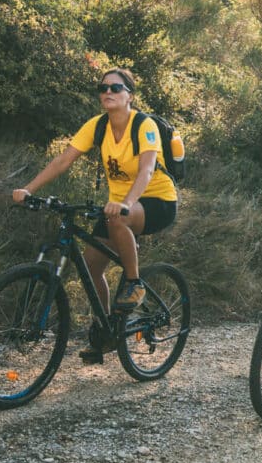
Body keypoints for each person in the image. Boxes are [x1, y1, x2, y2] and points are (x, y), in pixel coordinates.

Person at [12, 68, 179, 362]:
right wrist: (28, 188)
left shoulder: (144, 125)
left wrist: (126, 202)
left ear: (130, 94)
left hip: (157, 201)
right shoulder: (97, 126)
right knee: (90, 267)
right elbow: (64, 160)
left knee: (118, 219)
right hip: (118, 207)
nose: (108, 92)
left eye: (116, 87)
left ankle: (134, 283)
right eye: (103, 88)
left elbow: (147, 170)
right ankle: (106, 331)